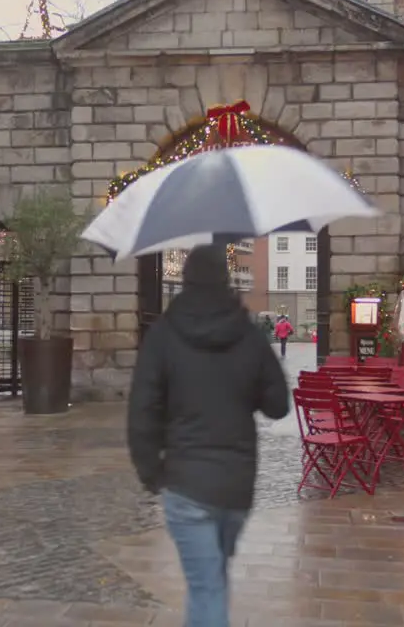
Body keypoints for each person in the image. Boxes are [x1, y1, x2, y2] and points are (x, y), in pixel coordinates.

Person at [128, 245, 290, 627]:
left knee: (207, 587)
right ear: (226, 280)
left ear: (185, 279)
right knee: (213, 580)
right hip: (236, 484)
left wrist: (152, 472)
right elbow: (278, 405)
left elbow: (142, 410)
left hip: (184, 482)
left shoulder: (163, 334)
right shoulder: (248, 334)